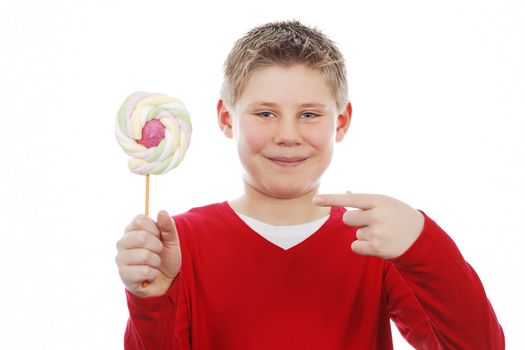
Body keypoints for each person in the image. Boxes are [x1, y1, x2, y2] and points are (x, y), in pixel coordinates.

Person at [115, 20, 505, 349]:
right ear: (226, 117)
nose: (288, 135)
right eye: (266, 112)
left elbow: (479, 344)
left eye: (309, 114)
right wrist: (152, 298)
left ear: (342, 120)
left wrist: (422, 243)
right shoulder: (177, 243)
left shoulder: (374, 244)